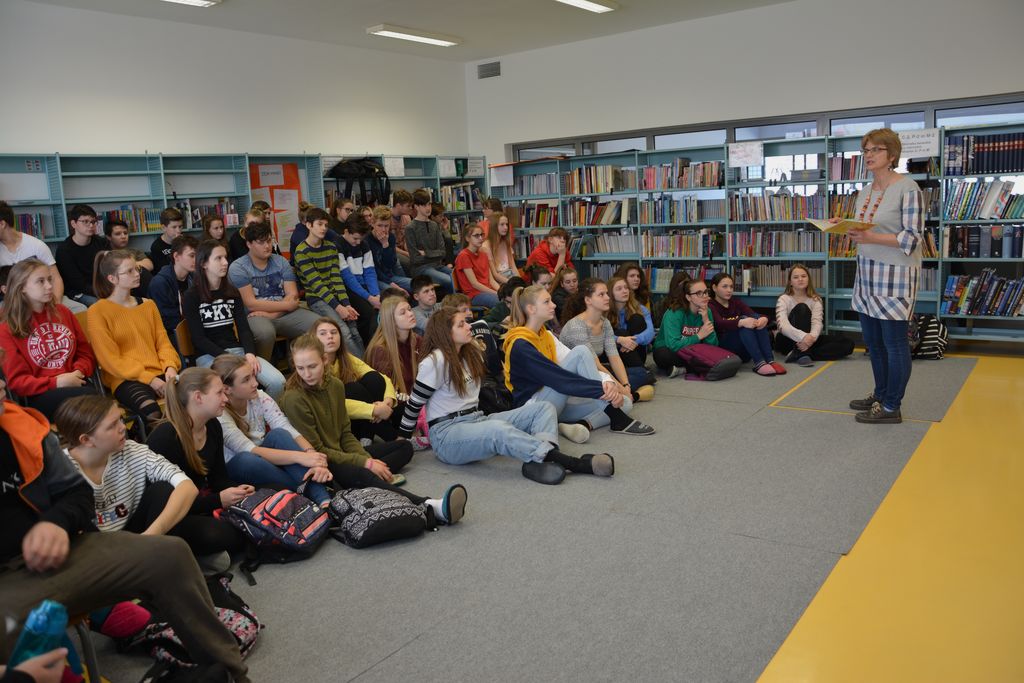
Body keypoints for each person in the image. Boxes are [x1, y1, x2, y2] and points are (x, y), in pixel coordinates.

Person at [0, 382, 250, 682]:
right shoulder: (71, 454)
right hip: (11, 578)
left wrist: (54, 522)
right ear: (86, 439)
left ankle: (230, 672)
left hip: (65, 548)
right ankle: (106, 616)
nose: (2, 384)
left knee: (171, 553)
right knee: (18, 631)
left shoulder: (24, 428)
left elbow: (74, 494)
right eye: (113, 424)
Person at [399, 306, 614, 485]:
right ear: (446, 332)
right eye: (461, 324)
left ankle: (539, 461)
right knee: (497, 430)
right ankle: (572, 463)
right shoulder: (434, 362)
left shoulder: (469, 354)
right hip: (446, 435)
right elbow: (414, 404)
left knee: (543, 409)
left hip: (476, 418)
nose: (469, 326)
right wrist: (402, 438)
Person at [280, 335, 467, 519]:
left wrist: (366, 459)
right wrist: (366, 463)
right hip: (322, 464)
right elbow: (318, 451)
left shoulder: (335, 386)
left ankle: (366, 480)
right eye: (300, 368)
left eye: (312, 366)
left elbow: (345, 434)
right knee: (364, 472)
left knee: (404, 447)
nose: (306, 374)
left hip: (341, 453)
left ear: (324, 360)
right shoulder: (294, 398)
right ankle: (429, 506)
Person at [842, 128, 925, 425]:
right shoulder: (865, 192)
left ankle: (892, 406)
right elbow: (865, 229)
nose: (869, 155)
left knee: (894, 343)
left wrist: (871, 238)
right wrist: (846, 227)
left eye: (876, 149)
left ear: (892, 155)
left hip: (896, 274)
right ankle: (880, 394)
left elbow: (912, 238)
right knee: (873, 343)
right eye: (866, 150)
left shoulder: (908, 189)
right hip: (867, 272)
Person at [505, 285, 655, 440]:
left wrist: (608, 383)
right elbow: (558, 379)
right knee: (582, 351)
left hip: (557, 401)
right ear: (531, 309)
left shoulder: (546, 335)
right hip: (536, 407)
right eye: (547, 302)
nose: (554, 305)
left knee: (625, 402)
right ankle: (617, 418)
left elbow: (573, 361)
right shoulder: (520, 345)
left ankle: (582, 425)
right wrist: (602, 390)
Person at [53, 395, 203, 546]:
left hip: (135, 535)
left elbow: (187, 487)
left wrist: (149, 537)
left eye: (120, 419)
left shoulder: (131, 449)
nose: (123, 427)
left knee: (164, 489)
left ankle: (154, 553)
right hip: (94, 548)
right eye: (112, 425)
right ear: (86, 440)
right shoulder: (60, 470)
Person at [145, 367, 249, 557]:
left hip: (201, 503)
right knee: (226, 534)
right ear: (198, 397)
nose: (226, 399)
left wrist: (239, 492)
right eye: (219, 393)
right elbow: (166, 502)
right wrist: (218, 500)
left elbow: (219, 480)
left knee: (266, 494)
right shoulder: (166, 438)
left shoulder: (212, 425)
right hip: (170, 517)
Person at [213, 354, 333, 507]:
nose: (255, 383)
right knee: (246, 459)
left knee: (279, 434)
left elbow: (285, 427)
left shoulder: (259, 396)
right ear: (226, 389)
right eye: (246, 380)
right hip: (239, 467)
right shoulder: (220, 414)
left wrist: (313, 457)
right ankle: (313, 493)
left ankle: (324, 502)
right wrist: (301, 458)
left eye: (253, 376)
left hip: (266, 460)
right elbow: (249, 450)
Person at [88, 250, 180, 428]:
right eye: (129, 271)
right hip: (126, 379)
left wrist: (170, 367)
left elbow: (163, 343)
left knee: (192, 400)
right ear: (112, 278)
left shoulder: (148, 305)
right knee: (152, 412)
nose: (137, 274)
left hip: (160, 371)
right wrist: (150, 379)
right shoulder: (97, 311)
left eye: (137, 268)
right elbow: (110, 360)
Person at [183, 240, 286, 398]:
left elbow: (244, 329)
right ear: (204, 263)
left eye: (225, 257)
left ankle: (264, 412)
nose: (225, 262)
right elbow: (199, 339)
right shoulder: (191, 296)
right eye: (218, 258)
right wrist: (228, 358)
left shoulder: (232, 292)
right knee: (236, 386)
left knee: (278, 382)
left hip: (237, 352)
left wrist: (250, 353)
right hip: (209, 356)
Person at [0, 259, 98, 417]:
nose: (49, 286)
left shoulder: (63, 312)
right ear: (22, 287)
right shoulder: (6, 328)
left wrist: (78, 371)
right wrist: (57, 382)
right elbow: (18, 382)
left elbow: (85, 353)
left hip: (75, 380)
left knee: (92, 403)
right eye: (41, 281)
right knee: (92, 402)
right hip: (39, 394)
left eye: (49, 279)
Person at [228, 221, 319, 361]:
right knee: (265, 334)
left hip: (283, 313)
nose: (267, 246)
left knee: (319, 325)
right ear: (249, 244)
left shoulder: (281, 262)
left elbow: (292, 295)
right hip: (255, 316)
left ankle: (305, 366)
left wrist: (273, 314)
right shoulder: (238, 267)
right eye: (261, 242)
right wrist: (287, 306)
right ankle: (261, 371)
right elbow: (251, 304)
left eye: (269, 241)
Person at [559, 278, 655, 401]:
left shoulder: (605, 323)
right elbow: (596, 365)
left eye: (607, 294)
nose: (607, 298)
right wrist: (622, 388)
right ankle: (631, 396)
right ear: (588, 300)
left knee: (641, 373)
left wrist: (625, 385)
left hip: (595, 371)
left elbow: (614, 357)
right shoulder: (577, 326)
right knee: (613, 384)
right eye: (601, 294)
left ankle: (621, 395)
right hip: (577, 377)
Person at [311, 316, 401, 444]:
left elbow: (382, 377)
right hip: (333, 423)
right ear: (313, 339)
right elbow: (332, 404)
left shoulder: (344, 358)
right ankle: (393, 437)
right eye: (323, 333)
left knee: (374, 379)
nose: (330, 336)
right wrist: (373, 410)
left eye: (334, 332)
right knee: (353, 389)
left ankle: (366, 437)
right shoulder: (314, 366)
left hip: (357, 419)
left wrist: (388, 400)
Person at [292, 208, 364, 357]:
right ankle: (359, 367)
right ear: (309, 225)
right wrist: (339, 308)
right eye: (320, 224)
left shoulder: (331, 247)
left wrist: (346, 304)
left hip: (335, 297)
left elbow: (336, 279)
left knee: (354, 330)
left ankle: (364, 365)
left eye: (326, 225)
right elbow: (317, 285)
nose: (324, 228)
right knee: (343, 331)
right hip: (317, 298)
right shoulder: (301, 251)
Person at [0, 200, 82, 313]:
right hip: (10, 301)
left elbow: (56, 278)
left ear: (2, 224)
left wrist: (55, 305)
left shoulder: (36, 245)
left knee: (79, 309)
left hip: (42, 296)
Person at [653, 277, 741, 381]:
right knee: (662, 355)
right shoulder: (674, 313)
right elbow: (673, 345)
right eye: (699, 293)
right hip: (670, 349)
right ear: (688, 297)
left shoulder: (707, 311)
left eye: (705, 292)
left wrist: (706, 320)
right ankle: (697, 367)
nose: (705, 296)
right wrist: (699, 336)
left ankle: (685, 369)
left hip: (693, 350)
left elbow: (713, 346)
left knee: (712, 354)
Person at [774, 264, 854, 367]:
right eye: (796, 277)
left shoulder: (816, 299)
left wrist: (811, 339)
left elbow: (817, 323)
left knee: (848, 344)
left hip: (810, 338)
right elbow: (783, 325)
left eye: (803, 276)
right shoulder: (784, 299)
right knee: (802, 307)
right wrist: (803, 337)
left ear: (808, 279)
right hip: (788, 339)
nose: (800, 279)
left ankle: (801, 353)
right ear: (790, 282)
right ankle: (803, 353)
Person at [708, 272, 785, 376]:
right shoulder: (711, 305)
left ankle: (770, 360)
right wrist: (741, 322)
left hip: (744, 350)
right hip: (726, 350)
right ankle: (759, 362)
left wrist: (764, 318)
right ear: (714, 288)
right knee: (745, 322)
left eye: (731, 286)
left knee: (756, 320)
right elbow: (719, 323)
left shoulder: (735, 302)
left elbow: (752, 314)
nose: (729, 290)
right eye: (725, 286)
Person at [337, 213, 381, 344]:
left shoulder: (364, 244)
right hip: (348, 288)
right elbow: (348, 278)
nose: (358, 242)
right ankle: (367, 347)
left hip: (364, 286)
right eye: (355, 238)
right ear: (346, 231)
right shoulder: (338, 245)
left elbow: (370, 272)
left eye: (360, 239)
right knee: (368, 312)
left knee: (387, 305)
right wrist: (369, 298)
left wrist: (376, 294)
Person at [606, 275, 658, 386]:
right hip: (613, 355)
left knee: (637, 318)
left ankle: (639, 370)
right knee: (621, 333)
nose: (624, 291)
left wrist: (632, 341)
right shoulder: (604, 310)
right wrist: (619, 339)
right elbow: (598, 335)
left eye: (626, 288)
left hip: (637, 353)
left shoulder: (640, 308)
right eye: (619, 289)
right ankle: (642, 373)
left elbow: (650, 333)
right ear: (611, 293)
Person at [55, 204, 109, 307]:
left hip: (100, 287)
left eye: (93, 221)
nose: (91, 225)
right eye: (85, 221)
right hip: (78, 292)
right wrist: (105, 292)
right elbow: (78, 284)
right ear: (73, 224)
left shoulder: (101, 242)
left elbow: (111, 267)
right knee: (101, 305)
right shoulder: (64, 250)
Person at [148, 234, 198, 340]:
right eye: (192, 256)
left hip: (192, 330)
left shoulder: (194, 277)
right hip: (170, 336)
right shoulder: (160, 283)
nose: (196, 260)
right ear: (176, 256)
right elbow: (169, 322)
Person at [405, 189, 453, 293]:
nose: (428, 208)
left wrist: (426, 253)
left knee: (458, 276)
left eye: (429, 204)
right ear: (416, 207)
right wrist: (434, 255)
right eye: (424, 205)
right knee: (448, 280)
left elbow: (443, 252)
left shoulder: (434, 225)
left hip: (437, 266)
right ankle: (451, 302)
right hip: (420, 269)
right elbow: (415, 258)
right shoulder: (410, 228)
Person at [367, 205, 412, 294]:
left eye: (386, 226)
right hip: (376, 278)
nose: (383, 229)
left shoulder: (390, 237)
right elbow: (374, 270)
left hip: (390, 276)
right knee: (395, 293)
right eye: (379, 225)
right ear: (372, 223)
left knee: (419, 286)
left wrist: (385, 245)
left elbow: (391, 264)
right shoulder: (366, 240)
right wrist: (393, 285)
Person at [103, 218, 155, 294]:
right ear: (109, 237)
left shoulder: (134, 251)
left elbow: (149, 265)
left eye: (125, 233)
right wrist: (136, 265)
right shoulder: (107, 255)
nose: (123, 236)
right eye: (118, 234)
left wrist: (127, 267)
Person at [454, 223, 500, 308]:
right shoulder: (463, 256)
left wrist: (501, 292)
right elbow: (475, 284)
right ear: (467, 238)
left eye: (482, 235)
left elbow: (491, 280)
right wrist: (496, 293)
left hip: (487, 291)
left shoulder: (483, 254)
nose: (481, 238)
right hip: (474, 295)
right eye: (476, 236)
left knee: (511, 298)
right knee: (500, 302)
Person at [480, 212, 517, 285]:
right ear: (494, 226)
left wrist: (520, 281)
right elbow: (495, 275)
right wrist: (513, 284)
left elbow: (513, 267)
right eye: (502, 224)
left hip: (511, 277)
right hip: (499, 281)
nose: (506, 227)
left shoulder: (506, 243)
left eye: (506, 224)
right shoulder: (485, 247)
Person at [148, 208, 184, 273]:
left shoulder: (185, 241)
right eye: (174, 227)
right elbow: (166, 271)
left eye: (180, 226)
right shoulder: (156, 247)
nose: (178, 231)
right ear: (164, 228)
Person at [390, 189, 413, 272]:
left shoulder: (407, 218)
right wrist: (406, 254)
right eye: (408, 206)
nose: (411, 208)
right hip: (392, 250)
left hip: (403, 249)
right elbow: (390, 246)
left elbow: (407, 240)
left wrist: (411, 252)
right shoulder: (386, 219)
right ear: (399, 205)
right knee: (407, 262)